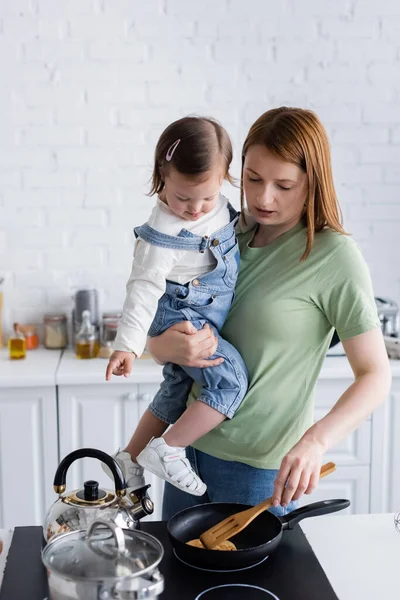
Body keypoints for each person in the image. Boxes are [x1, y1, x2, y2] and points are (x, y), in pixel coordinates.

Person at [145, 107, 391, 519]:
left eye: (284, 185)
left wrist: (316, 441)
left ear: (313, 183)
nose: (263, 198)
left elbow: (375, 375)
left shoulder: (333, 257)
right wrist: (161, 346)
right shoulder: (221, 235)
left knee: (258, 586)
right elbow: (171, 333)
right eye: (254, 179)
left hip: (261, 470)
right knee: (180, 580)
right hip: (182, 452)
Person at [104, 116, 248, 496]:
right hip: (183, 315)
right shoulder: (162, 236)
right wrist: (128, 345)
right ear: (162, 176)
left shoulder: (215, 205)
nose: (196, 209)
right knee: (231, 381)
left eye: (208, 198)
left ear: (223, 179)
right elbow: (142, 289)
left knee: (175, 390)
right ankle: (170, 449)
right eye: (183, 198)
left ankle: (129, 460)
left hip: (202, 311)